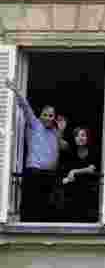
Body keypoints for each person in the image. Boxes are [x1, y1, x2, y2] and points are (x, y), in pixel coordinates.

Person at [5, 79, 69, 222]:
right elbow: (25, 106)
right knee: (31, 208)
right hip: (34, 173)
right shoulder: (34, 124)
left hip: (50, 175)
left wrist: (61, 132)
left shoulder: (55, 132)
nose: (47, 117)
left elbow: (64, 147)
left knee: (48, 210)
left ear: (54, 118)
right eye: (45, 114)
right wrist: (15, 90)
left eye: (51, 115)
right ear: (40, 115)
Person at [59, 127, 101, 222]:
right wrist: (66, 178)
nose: (80, 138)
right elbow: (65, 173)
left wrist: (74, 171)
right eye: (77, 136)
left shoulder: (93, 151)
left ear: (87, 137)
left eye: (83, 135)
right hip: (73, 194)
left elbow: (91, 169)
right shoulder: (72, 153)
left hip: (89, 192)